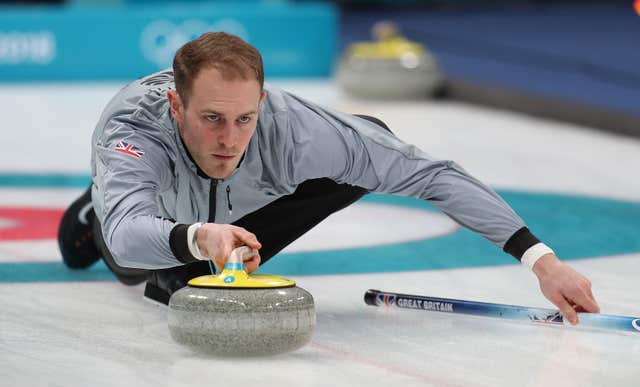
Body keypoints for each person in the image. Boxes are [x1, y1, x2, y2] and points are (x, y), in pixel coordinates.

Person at [57, 32, 599, 324]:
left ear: (263, 103)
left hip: (216, 225)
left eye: (245, 118)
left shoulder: (296, 128)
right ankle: (97, 210)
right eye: (212, 119)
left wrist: (541, 260)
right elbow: (130, 232)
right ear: (177, 106)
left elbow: (431, 174)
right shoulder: (135, 134)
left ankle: (200, 264)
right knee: (122, 255)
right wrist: (198, 235)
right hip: (148, 210)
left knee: (372, 135)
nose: (229, 138)